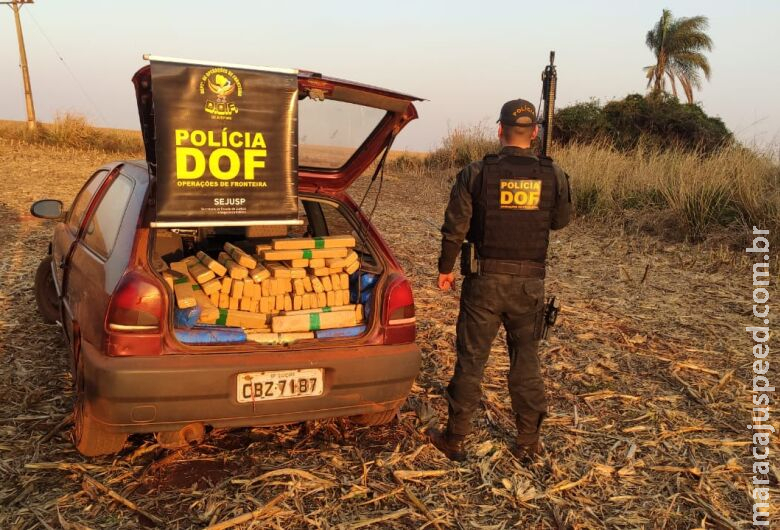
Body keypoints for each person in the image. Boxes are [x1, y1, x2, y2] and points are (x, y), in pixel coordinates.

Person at [427, 99, 572, 462]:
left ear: (499, 130)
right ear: (535, 133)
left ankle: (455, 438)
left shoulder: (476, 172)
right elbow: (560, 221)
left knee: (471, 361)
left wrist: (446, 268)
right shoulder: (553, 174)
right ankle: (527, 442)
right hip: (529, 284)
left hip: (484, 282)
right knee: (526, 361)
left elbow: (455, 227)